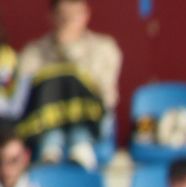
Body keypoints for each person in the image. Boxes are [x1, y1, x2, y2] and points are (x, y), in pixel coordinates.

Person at [11, 0, 120, 168]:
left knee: (73, 82)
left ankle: (81, 145)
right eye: (64, 15)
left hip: (92, 124)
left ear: (86, 14)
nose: (69, 20)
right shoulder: (33, 52)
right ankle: (50, 150)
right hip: (46, 127)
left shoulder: (104, 48)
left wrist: (69, 50)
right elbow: (25, 96)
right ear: (51, 17)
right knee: (52, 83)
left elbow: (106, 96)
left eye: (75, 13)